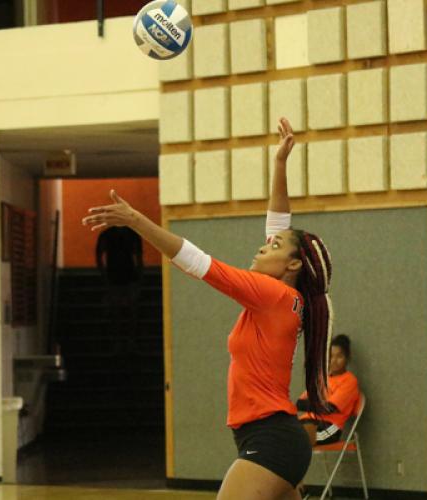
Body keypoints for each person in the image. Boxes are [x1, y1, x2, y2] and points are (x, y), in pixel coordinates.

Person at [82, 117, 334, 500]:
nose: (264, 246)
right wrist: (280, 164)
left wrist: (136, 220)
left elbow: (200, 263)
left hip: (271, 439)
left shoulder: (274, 295)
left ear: (294, 265)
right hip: (273, 437)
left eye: (274, 246)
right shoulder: (285, 297)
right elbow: (280, 223)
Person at [297, 334, 360, 446]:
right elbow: (300, 403)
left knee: (294, 440)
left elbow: (329, 408)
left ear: (347, 358)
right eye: (331, 356)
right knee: (279, 433)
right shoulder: (322, 379)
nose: (334, 361)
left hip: (328, 427)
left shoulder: (349, 381)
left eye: (339, 356)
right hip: (308, 421)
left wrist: (314, 405)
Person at [96, 225, 143, 353]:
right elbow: (138, 256)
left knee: (119, 311)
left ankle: (120, 341)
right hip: (125, 275)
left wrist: (103, 273)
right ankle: (127, 341)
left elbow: (99, 254)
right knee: (126, 311)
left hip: (117, 275)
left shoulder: (107, 234)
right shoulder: (132, 233)